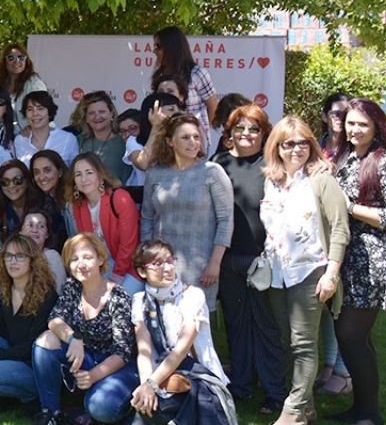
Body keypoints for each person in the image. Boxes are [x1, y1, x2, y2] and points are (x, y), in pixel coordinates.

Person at [259, 116, 351, 425]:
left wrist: (332, 274)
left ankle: (294, 410)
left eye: (302, 143)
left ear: (311, 146)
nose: (295, 149)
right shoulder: (271, 180)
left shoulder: (321, 180)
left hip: (312, 270)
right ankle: (308, 406)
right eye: (288, 143)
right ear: (277, 148)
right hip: (278, 272)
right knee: (288, 342)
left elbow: (340, 228)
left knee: (303, 343)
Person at [331, 98, 386, 425]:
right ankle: (361, 408)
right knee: (354, 337)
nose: (355, 129)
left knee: (351, 334)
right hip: (346, 255)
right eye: (350, 123)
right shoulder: (346, 156)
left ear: (377, 125)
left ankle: (370, 416)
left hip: (371, 258)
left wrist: (350, 208)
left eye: (362, 124)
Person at [120, 240, 239, 425]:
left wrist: (151, 385)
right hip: (160, 375)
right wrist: (145, 386)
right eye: (157, 264)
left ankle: (186, 424)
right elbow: (144, 350)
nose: (167, 268)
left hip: (196, 376)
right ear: (142, 271)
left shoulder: (193, 295)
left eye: (169, 261)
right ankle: (170, 422)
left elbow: (181, 350)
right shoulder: (139, 300)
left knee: (156, 410)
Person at [211, 104, 287, 414]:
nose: (246, 134)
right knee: (236, 323)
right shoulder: (218, 164)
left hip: (262, 261)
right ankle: (241, 384)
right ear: (229, 133)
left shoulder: (273, 166)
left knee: (266, 327)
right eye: (239, 128)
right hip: (227, 259)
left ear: (264, 134)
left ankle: (274, 392)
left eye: (254, 129)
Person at [31, 233, 138, 425]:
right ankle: (51, 413)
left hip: (116, 366)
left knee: (100, 407)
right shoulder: (73, 287)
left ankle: (123, 410)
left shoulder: (119, 296)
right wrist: (74, 338)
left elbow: (123, 353)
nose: (81, 264)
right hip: (86, 357)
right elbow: (55, 319)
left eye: (87, 257)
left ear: (100, 259)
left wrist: (93, 376)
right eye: (74, 259)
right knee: (46, 340)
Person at [140, 113, 234, 309]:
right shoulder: (155, 173)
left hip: (200, 265)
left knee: (195, 328)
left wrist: (215, 263)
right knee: (164, 326)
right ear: (170, 141)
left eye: (196, 137)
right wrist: (148, 259)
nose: (193, 142)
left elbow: (225, 220)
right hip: (161, 264)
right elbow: (147, 218)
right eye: (185, 137)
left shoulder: (212, 172)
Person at [0, 235, 58, 413]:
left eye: (20, 256)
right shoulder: (8, 288)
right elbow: (0, 332)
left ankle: (29, 397)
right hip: (13, 353)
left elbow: (34, 344)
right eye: (9, 256)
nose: (13, 261)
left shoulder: (45, 295)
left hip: (33, 366)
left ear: (32, 261)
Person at [316, 91, 353, 393]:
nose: (339, 118)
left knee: (347, 305)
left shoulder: (359, 150)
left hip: (351, 235)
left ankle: (344, 371)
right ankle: (329, 364)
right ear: (325, 115)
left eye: (345, 113)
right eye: (335, 113)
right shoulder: (315, 147)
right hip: (321, 235)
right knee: (329, 304)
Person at [67, 152, 141, 292]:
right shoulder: (78, 204)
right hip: (101, 266)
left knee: (118, 301)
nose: (84, 179)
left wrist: (116, 277)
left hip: (128, 266)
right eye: (78, 174)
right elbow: (87, 244)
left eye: (89, 172)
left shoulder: (119, 198)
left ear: (100, 175)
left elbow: (129, 245)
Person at [152, 26, 219, 154]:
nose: (154, 51)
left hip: (194, 145)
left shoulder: (197, 73)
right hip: (168, 142)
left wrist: (199, 132)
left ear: (171, 48)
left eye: (158, 47)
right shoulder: (160, 75)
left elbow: (213, 108)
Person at [72, 92, 130, 183]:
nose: (97, 116)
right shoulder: (79, 141)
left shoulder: (124, 140)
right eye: (91, 113)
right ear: (86, 117)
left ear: (111, 113)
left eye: (102, 112)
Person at [13, 90, 78, 166]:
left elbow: (75, 171)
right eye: (30, 109)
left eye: (40, 108)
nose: (35, 113)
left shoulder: (68, 139)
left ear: (49, 113)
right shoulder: (19, 141)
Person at [0, 42, 47, 131]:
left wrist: (31, 128)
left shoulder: (34, 84)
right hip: (3, 137)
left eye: (21, 57)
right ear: (4, 62)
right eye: (11, 58)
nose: (17, 61)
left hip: (28, 137)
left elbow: (42, 112)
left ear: (26, 61)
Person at [19, 209, 69, 284]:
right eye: (30, 225)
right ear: (21, 232)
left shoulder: (51, 257)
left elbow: (58, 292)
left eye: (41, 226)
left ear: (47, 234)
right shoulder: (14, 256)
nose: (35, 230)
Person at [319, 92, 352, 160]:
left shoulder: (356, 149)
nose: (342, 118)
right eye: (337, 114)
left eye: (346, 114)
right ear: (324, 117)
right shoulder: (314, 148)